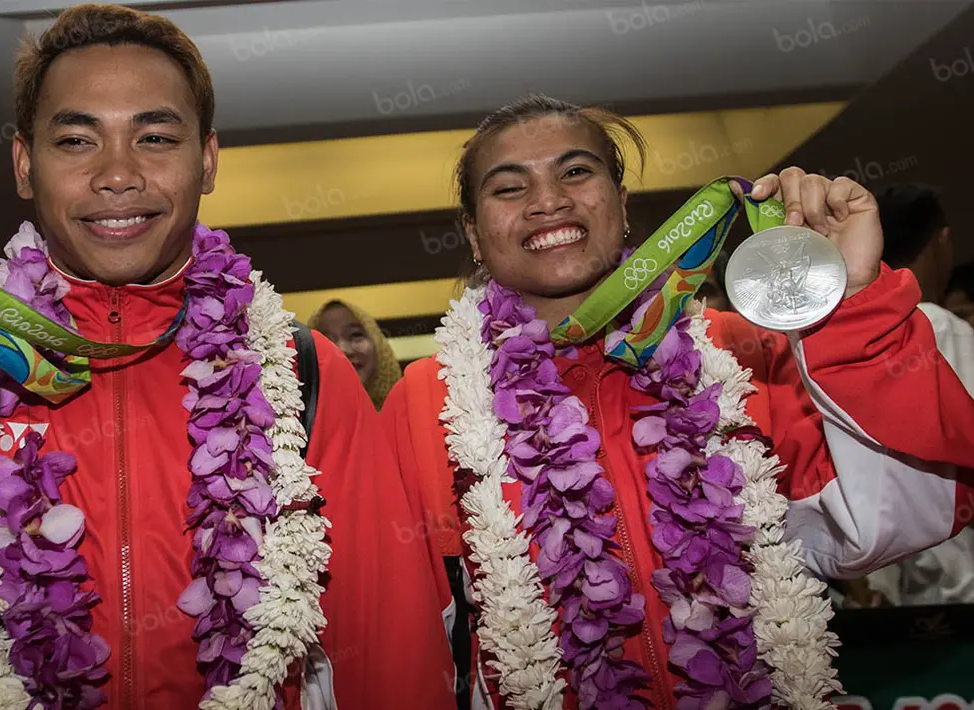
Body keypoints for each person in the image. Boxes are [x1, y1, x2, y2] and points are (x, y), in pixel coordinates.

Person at [0, 5, 455, 709]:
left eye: (154, 136)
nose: (118, 174)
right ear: (24, 164)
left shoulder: (301, 370)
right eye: (77, 141)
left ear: (206, 160)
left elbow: (388, 639)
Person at [381, 96, 974, 709]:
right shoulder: (430, 399)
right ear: (475, 235)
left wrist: (847, 296)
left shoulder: (738, 350)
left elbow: (898, 522)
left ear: (622, 204)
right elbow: (409, 629)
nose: (549, 199)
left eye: (577, 172)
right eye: (509, 187)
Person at [855, 183, 974, 607]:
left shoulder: (856, 338)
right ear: (942, 241)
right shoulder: (942, 330)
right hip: (960, 585)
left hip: (893, 585)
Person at [308, 300, 402, 410]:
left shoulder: (411, 414)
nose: (343, 350)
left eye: (355, 335)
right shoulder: (296, 423)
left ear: (378, 344)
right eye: (327, 341)